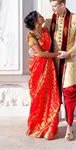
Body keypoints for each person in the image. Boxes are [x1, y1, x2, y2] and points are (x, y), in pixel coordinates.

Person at [46, 0, 76, 141]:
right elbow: (37, 35)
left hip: (69, 62)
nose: (53, 10)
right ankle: (52, 125)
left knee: (69, 94)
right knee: (53, 95)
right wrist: (32, 49)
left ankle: (69, 127)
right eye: (52, 7)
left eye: (55, 6)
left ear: (62, 5)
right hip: (53, 64)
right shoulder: (50, 20)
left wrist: (68, 53)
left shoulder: (75, 19)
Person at [24, 11, 61, 140]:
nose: (42, 17)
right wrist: (57, 54)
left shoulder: (46, 30)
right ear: (35, 21)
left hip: (49, 67)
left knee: (51, 95)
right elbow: (40, 54)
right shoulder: (31, 35)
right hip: (39, 67)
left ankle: (50, 127)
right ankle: (38, 126)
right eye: (39, 16)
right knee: (39, 95)